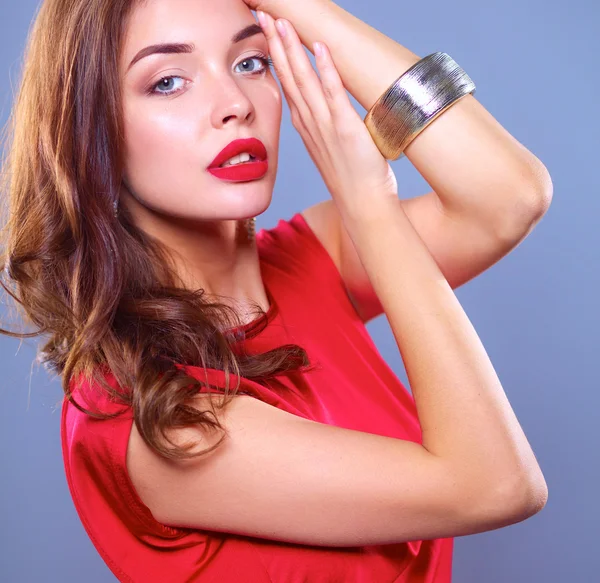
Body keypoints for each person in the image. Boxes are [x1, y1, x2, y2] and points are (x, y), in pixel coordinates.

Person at [0, 0, 552, 581]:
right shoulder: (149, 418)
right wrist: (369, 204)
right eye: (168, 81)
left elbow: (509, 195)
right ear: (92, 130)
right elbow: (494, 485)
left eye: (251, 62)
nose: (236, 106)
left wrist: (300, 7)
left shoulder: (311, 260)